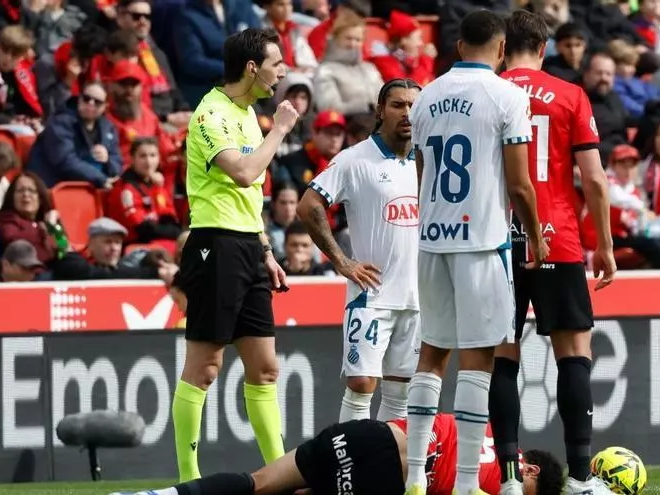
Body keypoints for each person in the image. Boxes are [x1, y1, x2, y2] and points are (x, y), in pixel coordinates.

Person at [405, 10, 547, 495]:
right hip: (483, 241)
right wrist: (536, 235)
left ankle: (413, 478)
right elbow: (520, 184)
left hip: (431, 238)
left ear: (460, 45)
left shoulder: (424, 98)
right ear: (503, 49)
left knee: (431, 354)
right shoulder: (508, 96)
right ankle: (467, 484)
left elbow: (423, 172)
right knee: (478, 359)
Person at [170, 28, 300, 483]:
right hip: (214, 246)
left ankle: (281, 476)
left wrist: (265, 249)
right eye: (276, 63)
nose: (282, 71)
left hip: (247, 246)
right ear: (252, 68)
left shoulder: (247, 115)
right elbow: (245, 173)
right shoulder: (210, 115)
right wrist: (280, 130)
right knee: (205, 368)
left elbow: (250, 201)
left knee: (265, 369)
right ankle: (189, 478)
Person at [495, 11, 615, 495]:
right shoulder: (570, 95)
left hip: (496, 240)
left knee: (502, 356)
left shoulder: (486, 91)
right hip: (558, 238)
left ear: (502, 48)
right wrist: (603, 243)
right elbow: (595, 179)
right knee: (573, 355)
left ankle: (506, 480)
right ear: (544, 48)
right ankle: (582, 480)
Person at [298, 79, 421, 423]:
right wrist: (342, 261)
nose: (407, 113)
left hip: (419, 297)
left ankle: (385, 471)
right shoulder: (355, 159)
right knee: (361, 383)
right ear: (381, 110)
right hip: (372, 295)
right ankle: (346, 469)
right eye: (398, 105)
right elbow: (309, 206)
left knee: (401, 390)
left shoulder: (429, 161)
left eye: (413, 105)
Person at [110, 413, 564, 495]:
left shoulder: (484, 427)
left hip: (364, 435)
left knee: (259, 483)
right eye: (528, 487)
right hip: (385, 477)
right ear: (528, 466)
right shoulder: (489, 484)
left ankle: (160, 494)